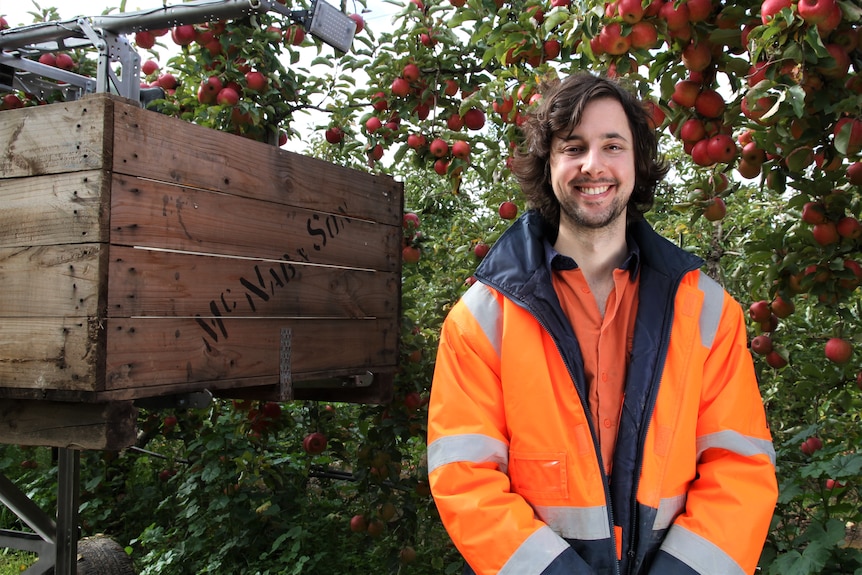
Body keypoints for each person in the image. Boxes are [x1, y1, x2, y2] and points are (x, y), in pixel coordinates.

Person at [426, 72, 778, 575]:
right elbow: (466, 478)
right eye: (573, 147)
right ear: (548, 164)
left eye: (613, 145)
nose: (593, 165)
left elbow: (739, 466)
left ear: (637, 161)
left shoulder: (708, 312)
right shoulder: (480, 319)